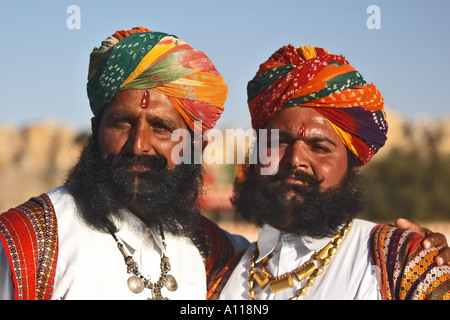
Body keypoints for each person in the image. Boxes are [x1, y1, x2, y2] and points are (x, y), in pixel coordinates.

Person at [0, 27, 248, 300]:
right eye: (122, 122)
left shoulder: (216, 254)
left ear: (197, 146)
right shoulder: (29, 241)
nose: (138, 144)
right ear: (96, 130)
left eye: (161, 127)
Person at [208, 45, 450, 300]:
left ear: (352, 164)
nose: (295, 159)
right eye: (279, 142)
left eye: (319, 147)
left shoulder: (401, 262)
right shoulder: (222, 274)